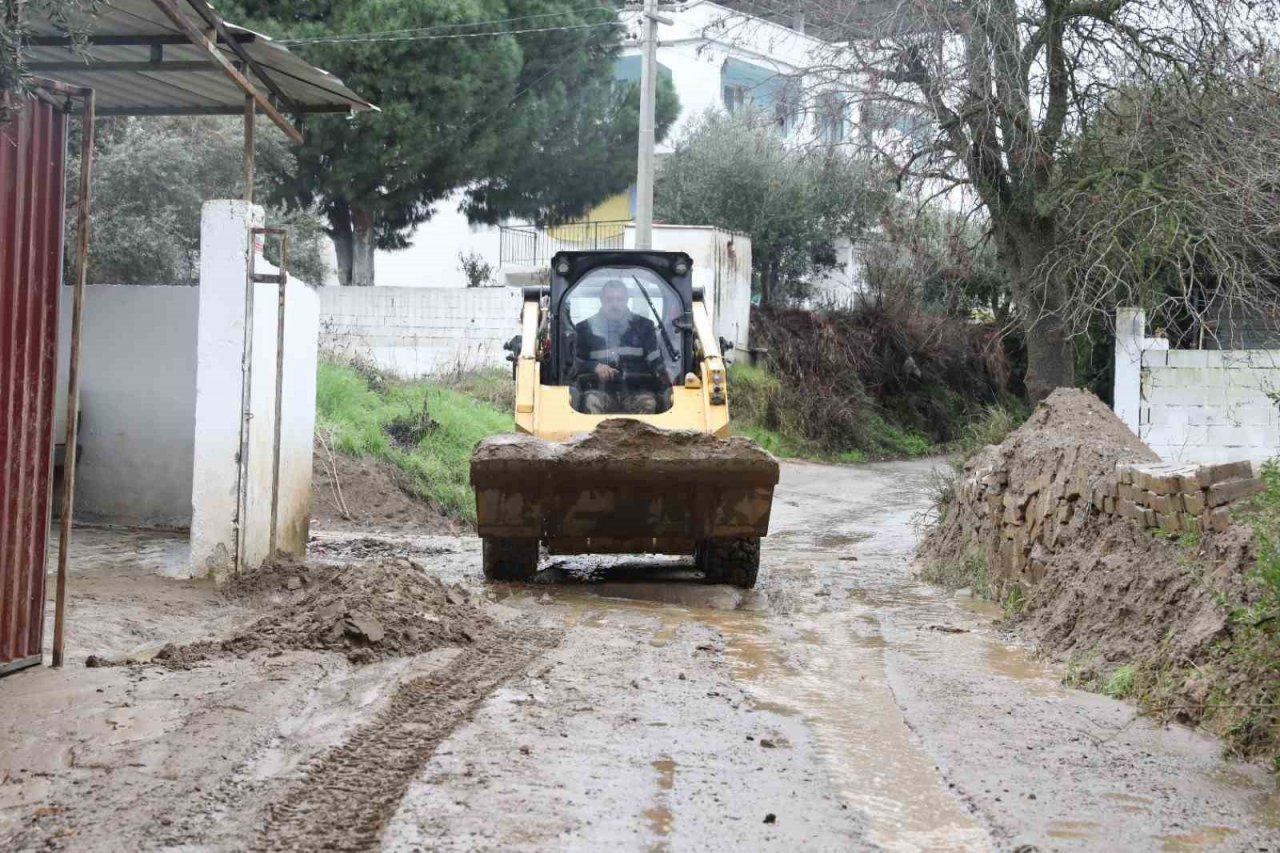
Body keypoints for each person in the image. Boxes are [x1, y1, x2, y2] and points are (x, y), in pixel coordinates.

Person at [572, 279, 672, 414]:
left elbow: (657, 362)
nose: (614, 304)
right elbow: (573, 364)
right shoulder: (584, 330)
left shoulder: (645, 327)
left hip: (637, 391)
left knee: (649, 403)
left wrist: (667, 378)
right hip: (599, 391)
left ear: (627, 299)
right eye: (609, 299)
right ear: (601, 300)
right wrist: (594, 366)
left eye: (619, 299)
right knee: (591, 402)